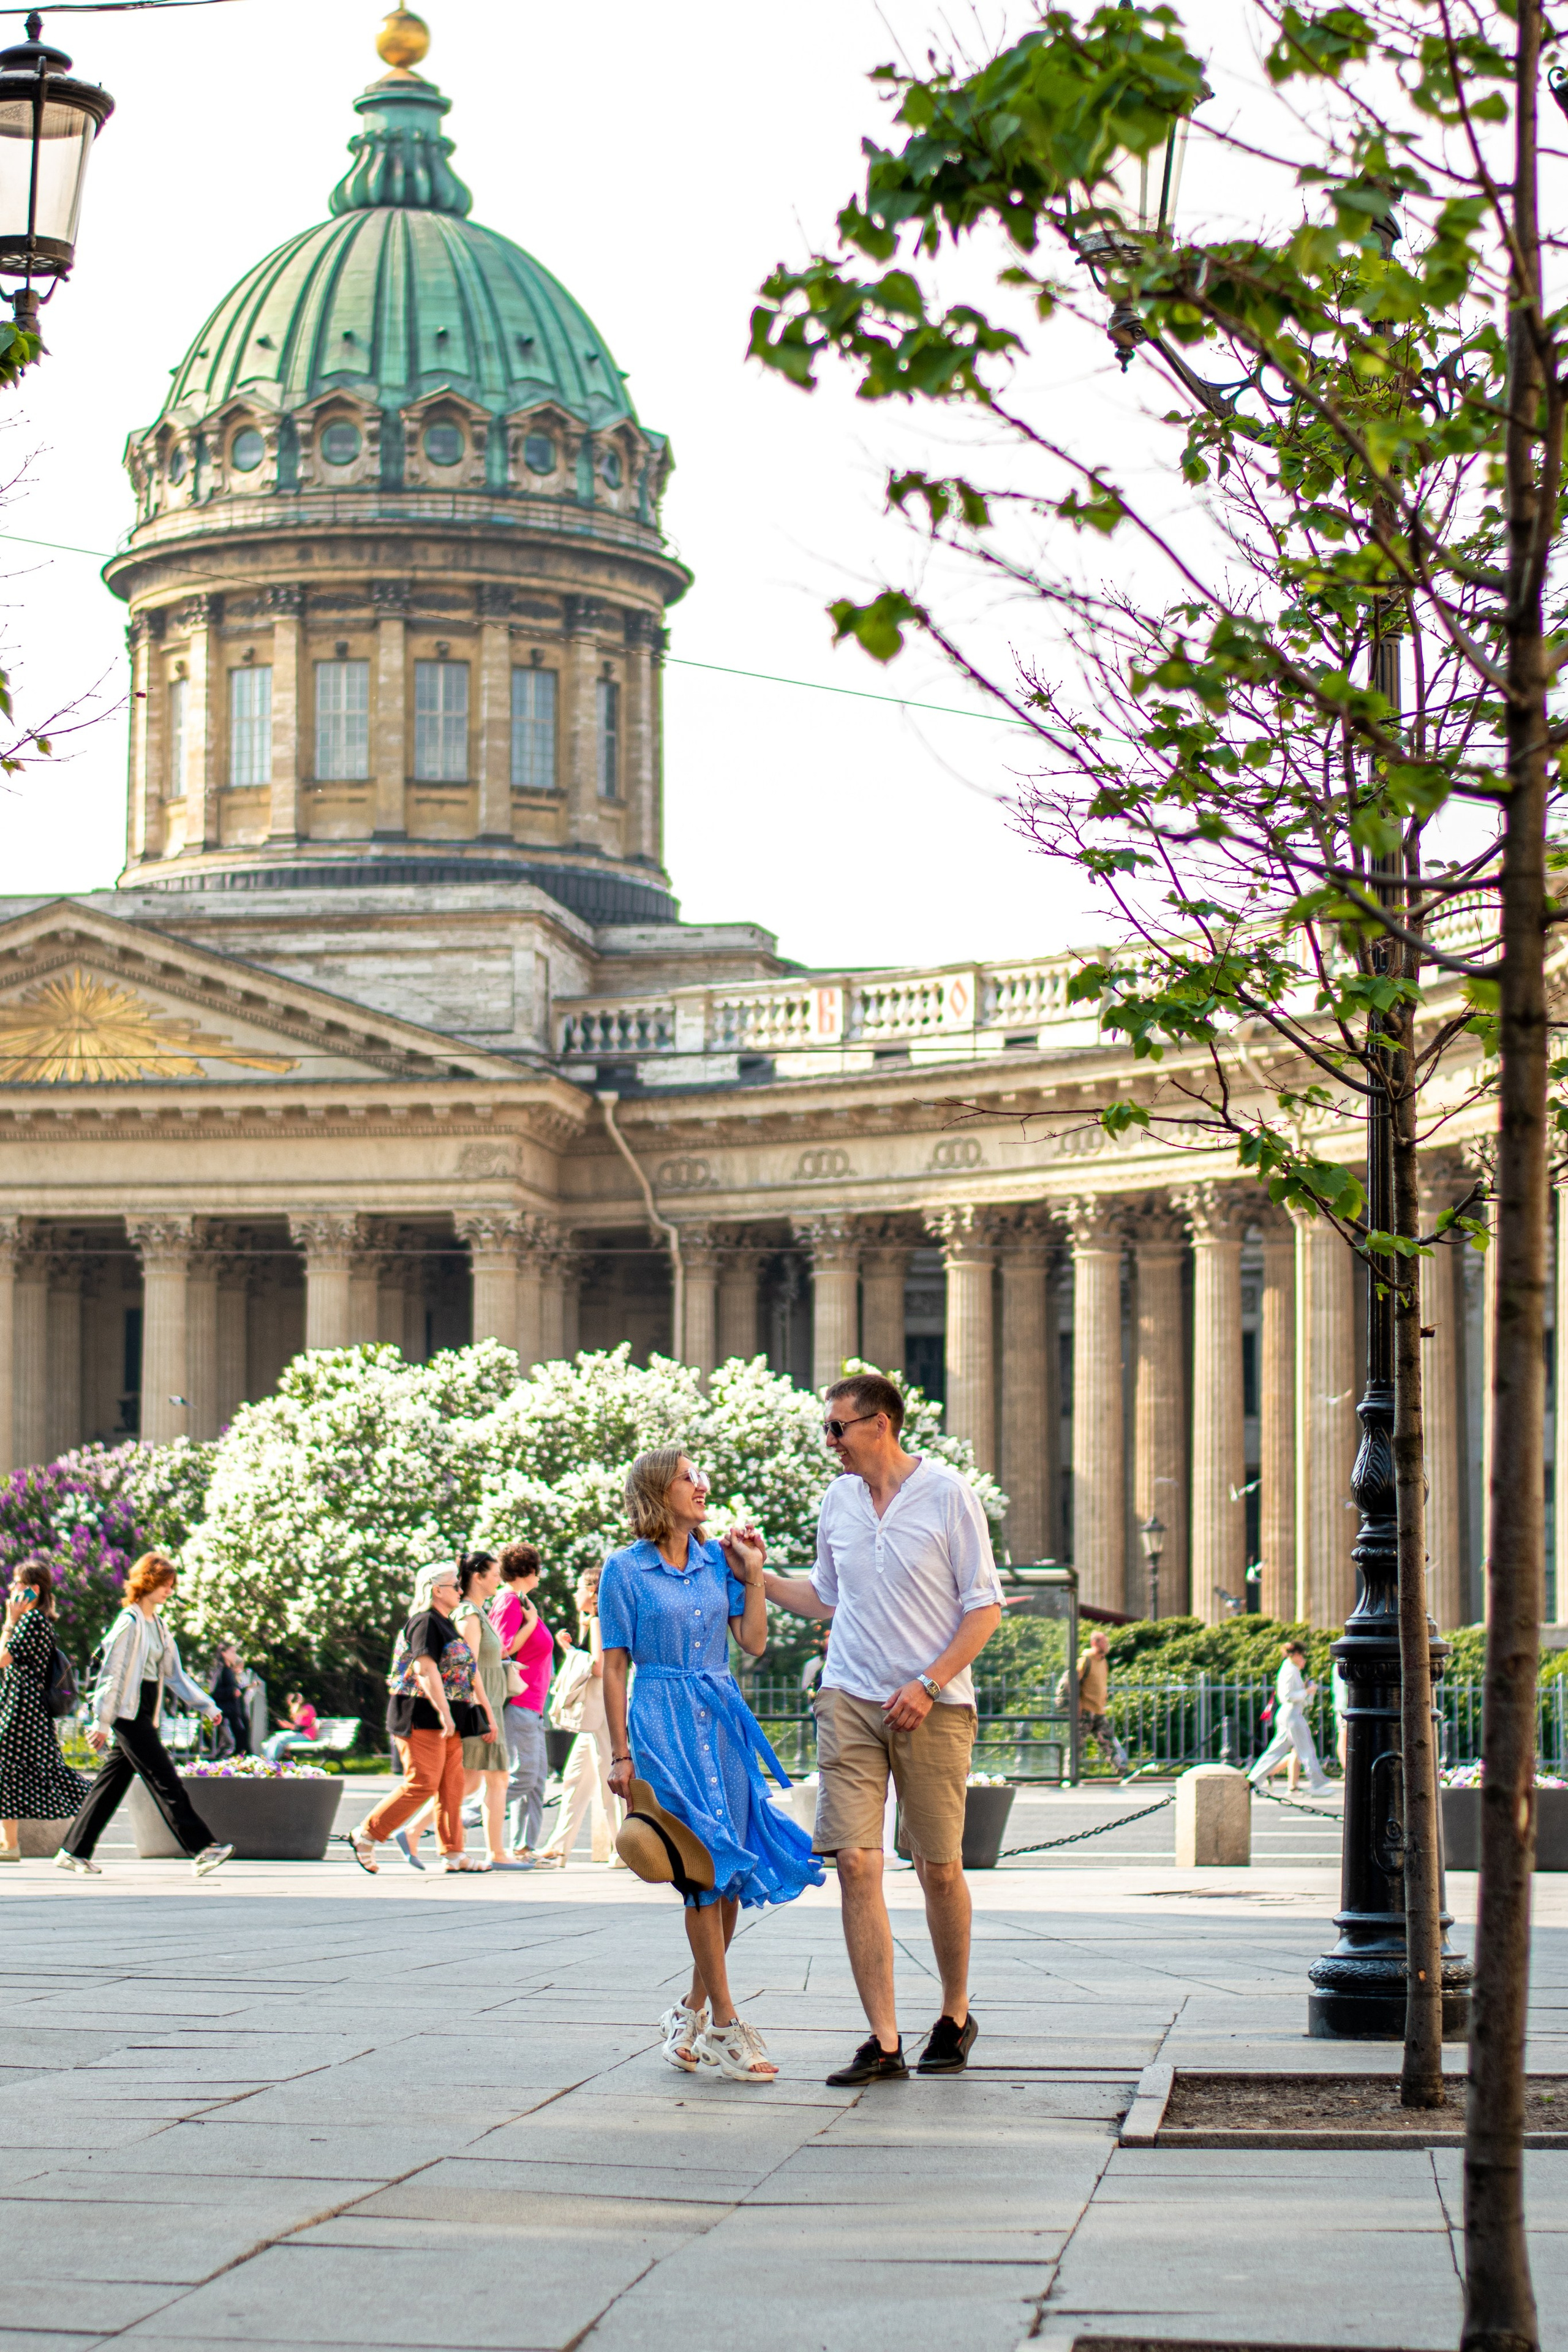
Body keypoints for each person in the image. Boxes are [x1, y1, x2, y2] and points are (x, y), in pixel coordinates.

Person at [761, 1371, 1003, 2087]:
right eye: (826, 1428)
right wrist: (759, 1576)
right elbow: (823, 1597)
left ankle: (955, 2016)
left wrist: (927, 1684)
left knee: (937, 1867)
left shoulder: (948, 1495)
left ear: (881, 1425)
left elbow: (983, 1609)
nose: (829, 1441)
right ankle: (884, 2040)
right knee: (856, 1864)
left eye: (837, 1427)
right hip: (849, 1697)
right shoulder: (837, 1499)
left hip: (933, 1704)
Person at [603, 1449, 823, 2084]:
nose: (701, 1485)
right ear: (655, 1490)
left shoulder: (714, 1562)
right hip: (661, 1723)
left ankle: (689, 2013)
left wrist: (753, 1574)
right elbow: (614, 1666)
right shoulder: (624, 1570)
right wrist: (621, 1753)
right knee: (699, 1871)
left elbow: (751, 1641)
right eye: (687, 1477)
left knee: (724, 1877)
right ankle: (727, 2024)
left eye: (700, 1476)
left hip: (721, 1724)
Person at [56, 1552, 233, 1878]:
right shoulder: (130, 1621)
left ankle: (73, 1851)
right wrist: (103, 1721)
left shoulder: (160, 1626)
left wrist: (207, 1707)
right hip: (128, 1714)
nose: (170, 1590)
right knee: (165, 1779)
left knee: (110, 1785)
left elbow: (176, 1675)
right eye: (165, 1584)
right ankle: (203, 1848)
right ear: (148, 1582)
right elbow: (113, 1673)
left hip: (144, 1712)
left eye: (172, 1585)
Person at [351, 1562, 499, 1874]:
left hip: (450, 1718)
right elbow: (424, 1668)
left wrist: (483, 1710)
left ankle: (454, 1853)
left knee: (452, 1786)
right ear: (436, 1590)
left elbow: (468, 1671)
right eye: (455, 1586)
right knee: (423, 1782)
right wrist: (445, 1713)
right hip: (421, 1715)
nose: (461, 1590)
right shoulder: (425, 1622)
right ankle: (366, 1834)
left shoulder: (445, 1623)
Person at [0, 1558, 92, 1861]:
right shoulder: (37, 1622)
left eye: (18, 1583)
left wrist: (9, 1620)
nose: (11, 1588)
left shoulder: (31, 1622)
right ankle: (9, 1845)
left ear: (33, 1590)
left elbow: (2, 1658)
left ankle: (97, 1800)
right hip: (23, 1708)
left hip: (22, 1710)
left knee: (24, 1771)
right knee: (12, 1773)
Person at [536, 1566, 621, 1868]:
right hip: (595, 1715)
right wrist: (571, 1648)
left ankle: (624, 1848)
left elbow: (599, 1667)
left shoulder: (597, 1620)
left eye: (579, 1588)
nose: (574, 1593)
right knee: (575, 1778)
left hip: (600, 1714)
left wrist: (571, 1652)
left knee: (606, 1781)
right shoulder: (594, 1621)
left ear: (593, 1592)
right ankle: (559, 1848)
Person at [453, 1551, 528, 1869]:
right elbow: (467, 1667)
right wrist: (484, 1711)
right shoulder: (468, 1614)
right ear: (478, 1576)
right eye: (495, 1574)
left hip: (492, 1704)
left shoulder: (480, 1613)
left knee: (479, 1781)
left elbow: (486, 1659)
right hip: (482, 1709)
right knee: (479, 1782)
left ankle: (494, 1852)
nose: (500, 1579)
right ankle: (494, 1852)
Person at [489, 1544, 553, 1860]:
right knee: (523, 1776)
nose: (540, 1574)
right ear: (529, 1570)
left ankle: (524, 1848)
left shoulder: (523, 1602)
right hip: (520, 1703)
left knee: (536, 1781)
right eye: (537, 1568)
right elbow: (500, 1648)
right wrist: (530, 1625)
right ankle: (461, 1819)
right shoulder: (509, 1601)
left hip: (534, 1705)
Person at [1248, 1640, 1332, 1795]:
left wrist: (1307, 1692)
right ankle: (1317, 1785)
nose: (1303, 1659)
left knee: (1276, 1751)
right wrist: (1306, 1692)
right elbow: (1286, 1695)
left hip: (1291, 1714)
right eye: (1302, 1656)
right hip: (1291, 1715)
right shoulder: (1290, 1670)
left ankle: (1253, 1780)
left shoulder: (1291, 1669)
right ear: (1296, 1655)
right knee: (1306, 1750)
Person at [1076, 1630, 1129, 1773]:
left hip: (1098, 1710)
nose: (1106, 1645)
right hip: (1085, 1710)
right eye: (1103, 1642)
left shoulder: (1103, 1661)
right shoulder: (1085, 1660)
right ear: (1095, 1643)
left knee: (1108, 1740)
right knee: (1077, 1743)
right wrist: (1077, 1706)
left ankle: (1121, 1769)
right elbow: (1074, 1684)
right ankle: (1070, 1772)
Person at [209, 1643, 258, 1756]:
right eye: (232, 1652)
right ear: (224, 1654)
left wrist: (242, 1689)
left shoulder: (229, 1671)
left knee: (242, 1745)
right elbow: (214, 1692)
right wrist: (232, 1692)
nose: (235, 1655)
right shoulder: (221, 1671)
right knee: (230, 1746)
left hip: (235, 1714)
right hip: (226, 1715)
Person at [262, 1690, 319, 1763]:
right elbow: (296, 1728)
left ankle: (270, 1762)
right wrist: (286, 1725)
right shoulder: (298, 1712)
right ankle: (267, 1761)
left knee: (281, 1741)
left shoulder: (308, 1708)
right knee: (273, 1738)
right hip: (298, 1734)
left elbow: (301, 1723)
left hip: (307, 1736)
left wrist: (293, 1708)